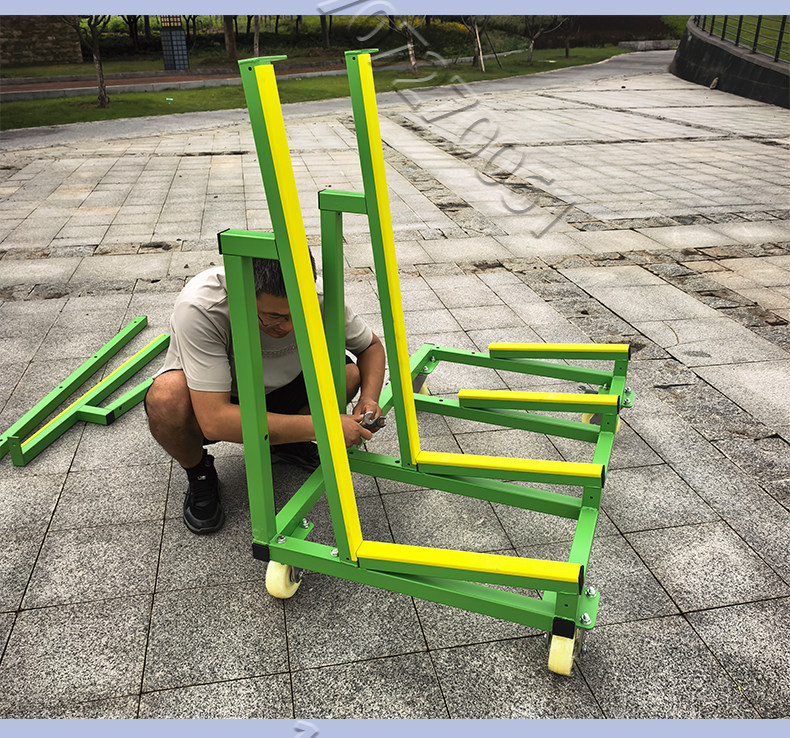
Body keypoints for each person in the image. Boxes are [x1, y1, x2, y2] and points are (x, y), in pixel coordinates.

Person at [145, 255, 386, 535]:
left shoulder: (318, 296)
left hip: (288, 387)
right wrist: (325, 427)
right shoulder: (202, 307)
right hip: (222, 399)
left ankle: (288, 444)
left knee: (348, 375)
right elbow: (214, 420)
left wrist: (369, 399)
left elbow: (370, 347)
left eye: (298, 312)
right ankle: (199, 472)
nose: (289, 326)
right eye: (275, 317)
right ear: (244, 294)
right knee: (166, 399)